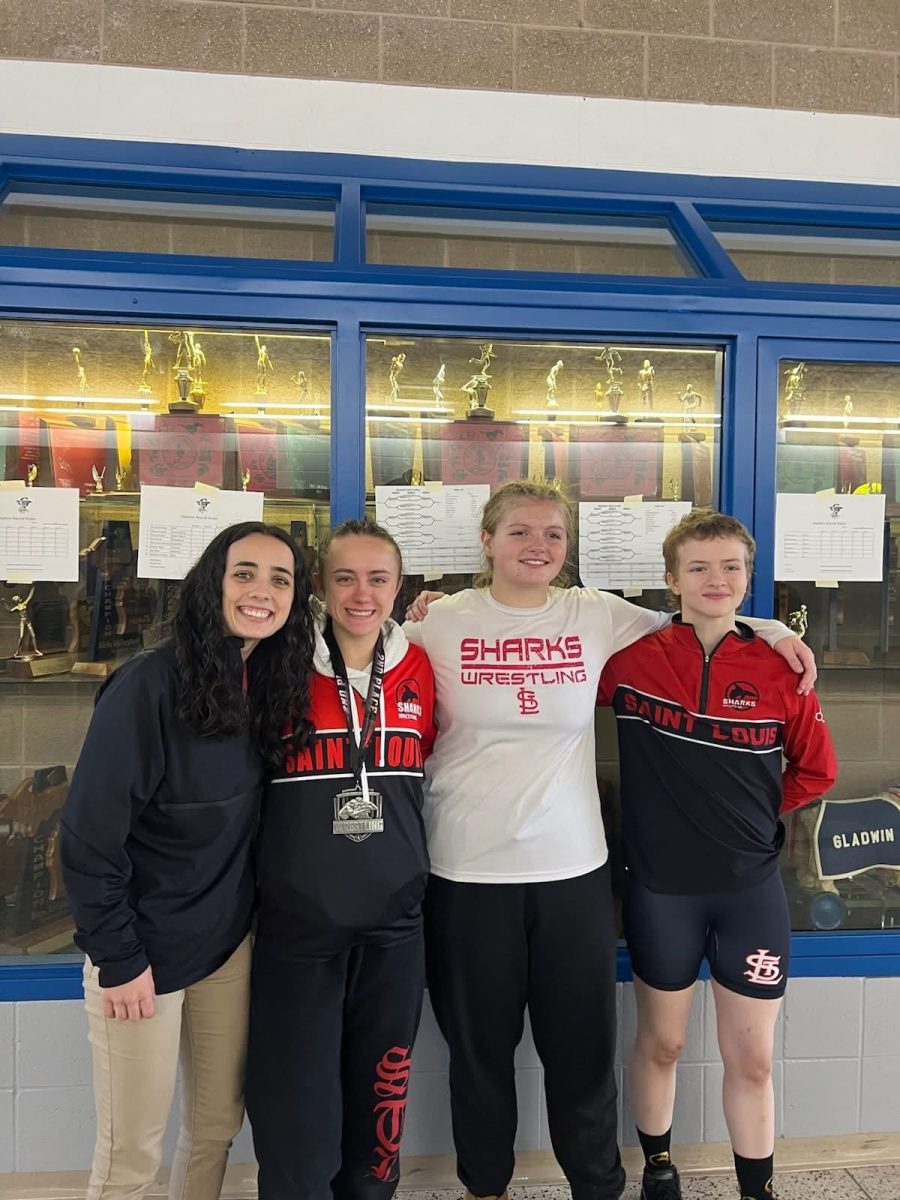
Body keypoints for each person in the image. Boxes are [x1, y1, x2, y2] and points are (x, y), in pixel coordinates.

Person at [403, 480, 815, 1200]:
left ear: (568, 549)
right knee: (478, 1055)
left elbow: (702, 613)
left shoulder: (595, 615)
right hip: (466, 872)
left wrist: (776, 631)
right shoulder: (438, 624)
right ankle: (486, 1187)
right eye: (521, 532)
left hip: (574, 872)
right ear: (487, 542)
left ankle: (597, 1187)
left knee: (582, 1055)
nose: (538, 546)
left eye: (553, 535)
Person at [60, 521, 315, 1200]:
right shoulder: (148, 687)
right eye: (245, 573)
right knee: (130, 1153)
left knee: (214, 1127)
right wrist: (118, 959)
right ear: (212, 583)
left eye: (280, 579)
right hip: (140, 953)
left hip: (225, 945)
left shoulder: (266, 683)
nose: (262, 590)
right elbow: (87, 837)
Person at [597, 511, 837, 1200]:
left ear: (748, 578)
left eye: (731, 567)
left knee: (754, 1059)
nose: (716, 580)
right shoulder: (629, 661)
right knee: (662, 1044)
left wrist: (754, 816)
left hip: (749, 892)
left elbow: (816, 771)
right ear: (671, 580)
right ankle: (659, 1169)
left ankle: (756, 1189)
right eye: (698, 567)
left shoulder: (779, 667)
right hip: (661, 890)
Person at [247, 519, 436, 1200]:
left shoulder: (421, 665)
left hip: (394, 929)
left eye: (378, 578)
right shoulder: (275, 665)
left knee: (378, 1121)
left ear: (400, 585)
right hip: (300, 932)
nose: (363, 593)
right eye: (346, 577)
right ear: (321, 587)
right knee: (298, 1122)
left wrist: (768, 632)